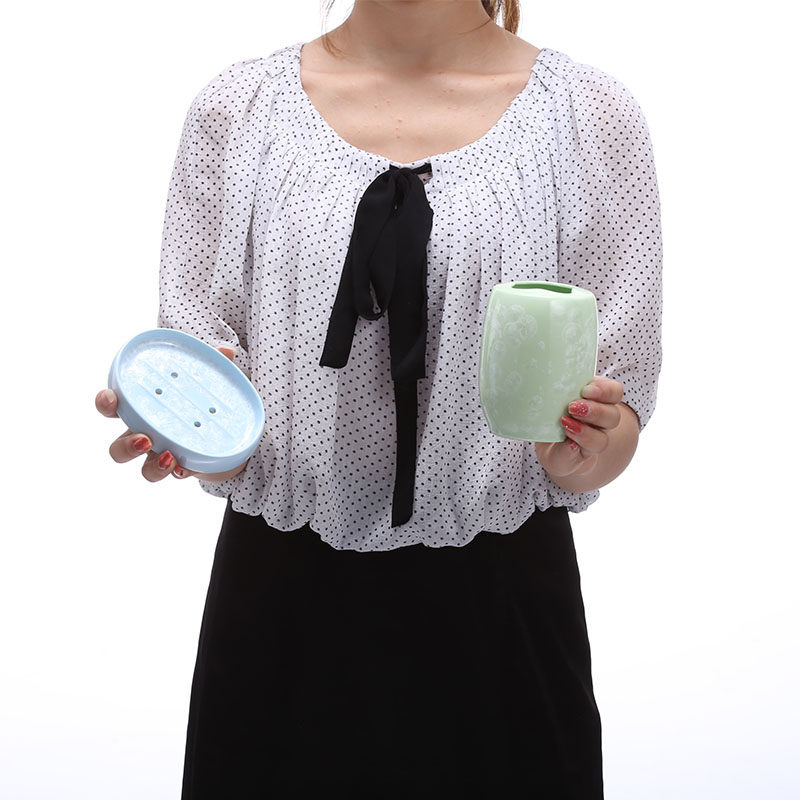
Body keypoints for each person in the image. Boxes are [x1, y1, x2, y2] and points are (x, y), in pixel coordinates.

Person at [95, 1, 662, 796]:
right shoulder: (237, 112)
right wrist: (181, 429)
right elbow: (211, 384)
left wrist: (588, 447)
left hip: (503, 612)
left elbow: (620, 405)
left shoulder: (590, 118)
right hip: (281, 609)